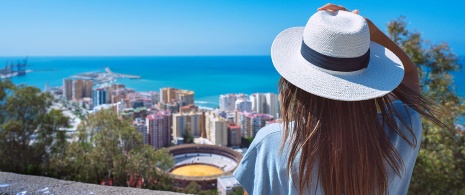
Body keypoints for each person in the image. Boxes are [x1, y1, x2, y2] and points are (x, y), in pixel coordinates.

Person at [233, 3, 446, 195]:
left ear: (294, 82)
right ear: (368, 79)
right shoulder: (403, 131)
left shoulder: (272, 143)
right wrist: (372, 33)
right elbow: (408, 75)